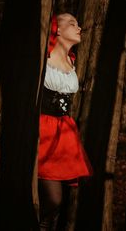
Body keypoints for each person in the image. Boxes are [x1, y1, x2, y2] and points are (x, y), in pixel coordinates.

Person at [38, 13, 92, 230]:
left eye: (78, 23)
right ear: (57, 30)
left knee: (57, 205)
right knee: (53, 199)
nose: (78, 27)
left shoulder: (71, 60)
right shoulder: (44, 58)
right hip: (43, 131)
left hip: (65, 134)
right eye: (72, 23)